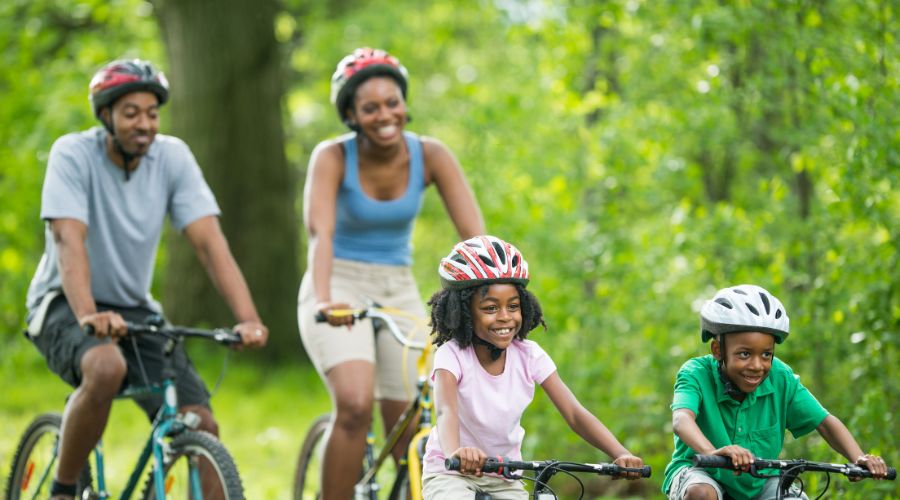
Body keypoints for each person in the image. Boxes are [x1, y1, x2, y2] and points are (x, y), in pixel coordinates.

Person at [24, 59, 269, 500]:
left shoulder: (172, 157)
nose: (144, 123)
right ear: (106, 116)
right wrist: (88, 314)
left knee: (201, 422)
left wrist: (247, 318)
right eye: (131, 113)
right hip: (63, 300)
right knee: (105, 366)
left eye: (152, 113)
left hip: (134, 307)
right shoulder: (72, 153)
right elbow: (68, 239)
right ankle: (62, 490)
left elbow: (210, 244)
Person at [297, 47, 484, 499]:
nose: (385, 115)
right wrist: (324, 300)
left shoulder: (431, 155)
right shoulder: (332, 157)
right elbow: (320, 236)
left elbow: (476, 238)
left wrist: (491, 293)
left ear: (404, 102)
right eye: (370, 108)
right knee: (356, 404)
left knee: (413, 419)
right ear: (351, 115)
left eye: (392, 102)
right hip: (337, 283)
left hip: (396, 285)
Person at [421, 235, 645, 498]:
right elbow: (446, 410)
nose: (505, 316)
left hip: (505, 475)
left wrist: (619, 452)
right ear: (464, 312)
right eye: (491, 307)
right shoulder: (451, 355)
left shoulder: (529, 355)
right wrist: (455, 453)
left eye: (513, 306)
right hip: (452, 471)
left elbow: (574, 413)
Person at [663, 284, 889, 500]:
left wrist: (858, 457)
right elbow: (682, 419)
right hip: (699, 471)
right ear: (717, 350)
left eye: (766, 355)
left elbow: (824, 422)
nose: (757, 365)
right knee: (702, 493)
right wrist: (712, 452)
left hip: (758, 481)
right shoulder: (695, 373)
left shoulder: (781, 378)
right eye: (744, 354)